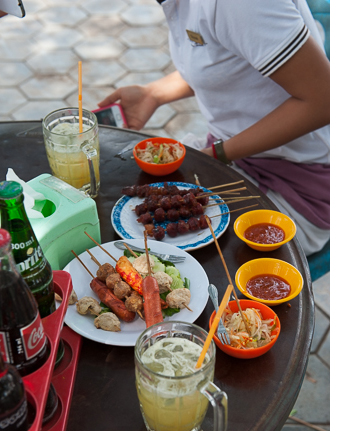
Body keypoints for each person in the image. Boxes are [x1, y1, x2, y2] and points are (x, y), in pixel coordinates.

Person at [99, 0, 329, 255]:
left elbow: (325, 100)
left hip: (294, 185)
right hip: (231, 155)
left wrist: (217, 155)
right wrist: (153, 94)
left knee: (185, 259)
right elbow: (226, 62)